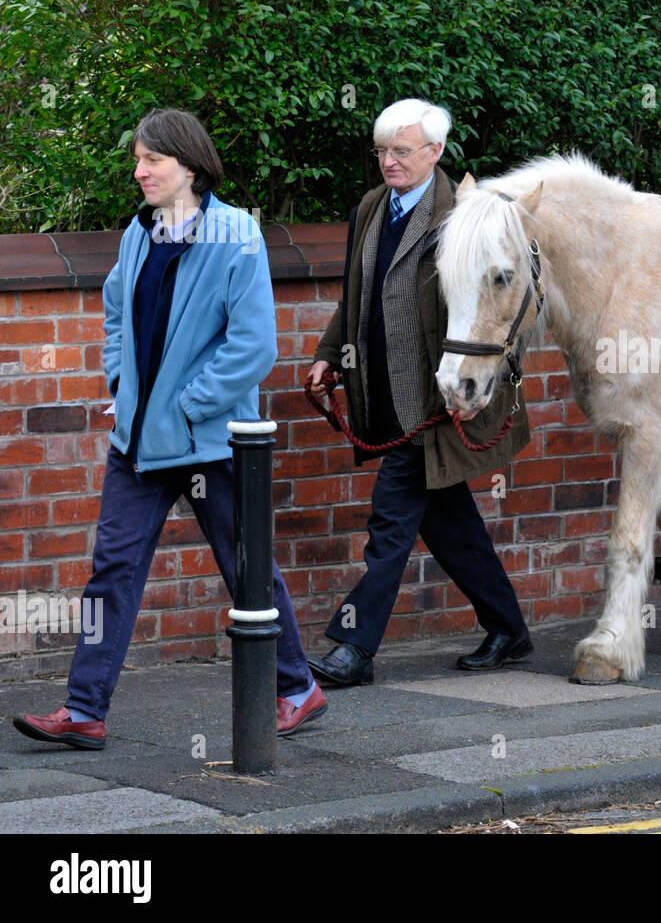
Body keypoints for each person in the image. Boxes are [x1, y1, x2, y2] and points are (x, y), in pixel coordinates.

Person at [13, 109, 325, 750]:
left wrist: (186, 405)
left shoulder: (237, 234)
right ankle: (84, 710)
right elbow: (115, 310)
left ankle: (296, 688)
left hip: (212, 442)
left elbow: (253, 345)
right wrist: (123, 383)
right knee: (112, 570)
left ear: (189, 163)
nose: (140, 171)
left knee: (248, 569)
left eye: (152, 159)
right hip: (137, 441)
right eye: (137, 158)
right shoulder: (140, 232)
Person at [306, 98, 531, 686]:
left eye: (402, 150)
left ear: (436, 152)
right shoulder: (370, 209)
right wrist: (331, 356)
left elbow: (493, 304)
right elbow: (354, 296)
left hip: (436, 400)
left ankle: (354, 647)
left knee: (390, 523)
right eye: (382, 150)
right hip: (381, 396)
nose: (389, 161)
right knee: (450, 524)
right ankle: (509, 628)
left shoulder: (466, 215)